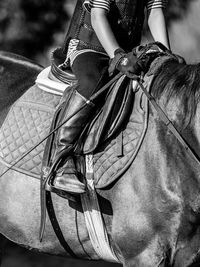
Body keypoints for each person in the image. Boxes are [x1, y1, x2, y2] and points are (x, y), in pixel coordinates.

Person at [47, 0, 170, 194]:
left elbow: (155, 11)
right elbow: (97, 16)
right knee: (92, 81)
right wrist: (118, 56)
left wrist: (166, 54)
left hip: (128, 52)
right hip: (89, 46)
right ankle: (61, 159)